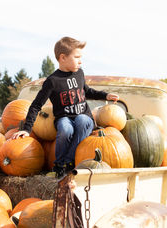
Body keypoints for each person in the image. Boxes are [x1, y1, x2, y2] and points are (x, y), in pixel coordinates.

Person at [12, 37, 119, 178]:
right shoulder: (52, 81)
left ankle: (67, 163)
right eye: (77, 57)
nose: (81, 61)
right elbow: (36, 105)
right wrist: (26, 129)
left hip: (84, 118)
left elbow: (87, 91)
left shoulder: (79, 73)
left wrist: (105, 96)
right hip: (65, 118)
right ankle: (59, 166)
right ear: (63, 57)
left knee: (82, 120)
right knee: (65, 128)